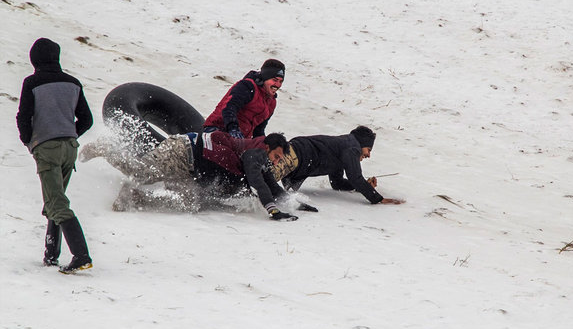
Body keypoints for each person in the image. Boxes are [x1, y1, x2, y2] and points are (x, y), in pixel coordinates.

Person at [80, 130, 306, 220]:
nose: (276, 162)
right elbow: (258, 182)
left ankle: (134, 197)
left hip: (190, 168)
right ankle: (104, 148)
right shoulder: (255, 152)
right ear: (268, 147)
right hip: (182, 151)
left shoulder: (260, 156)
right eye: (277, 156)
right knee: (140, 171)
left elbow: (269, 184)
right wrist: (272, 210)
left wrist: (292, 203)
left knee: (189, 204)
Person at [16, 38, 94, 273]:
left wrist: (30, 141)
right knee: (55, 199)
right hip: (69, 148)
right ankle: (51, 255)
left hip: (47, 148)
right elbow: (87, 120)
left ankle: (81, 256)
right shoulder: (73, 83)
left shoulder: (32, 82)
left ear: (34, 59)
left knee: (57, 203)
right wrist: (70, 134)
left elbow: (23, 116)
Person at [271, 126, 404, 205]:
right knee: (260, 180)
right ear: (362, 144)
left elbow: (337, 183)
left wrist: (362, 186)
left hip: (298, 161)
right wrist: (378, 198)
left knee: (263, 182)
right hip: (297, 154)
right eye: (369, 150)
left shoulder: (341, 149)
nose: (368, 155)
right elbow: (355, 177)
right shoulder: (352, 147)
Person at [204, 59, 285, 139]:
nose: (277, 85)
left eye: (281, 81)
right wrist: (233, 129)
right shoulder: (247, 86)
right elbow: (229, 108)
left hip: (241, 139)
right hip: (216, 129)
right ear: (265, 77)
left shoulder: (271, 102)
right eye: (274, 80)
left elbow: (258, 130)